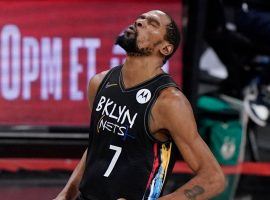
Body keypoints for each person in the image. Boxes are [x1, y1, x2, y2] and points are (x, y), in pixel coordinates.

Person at [54, 10, 225, 200]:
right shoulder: (100, 82)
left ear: (166, 49)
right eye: (140, 19)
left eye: (152, 24)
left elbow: (213, 179)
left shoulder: (169, 102)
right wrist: (66, 194)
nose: (140, 22)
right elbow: (97, 147)